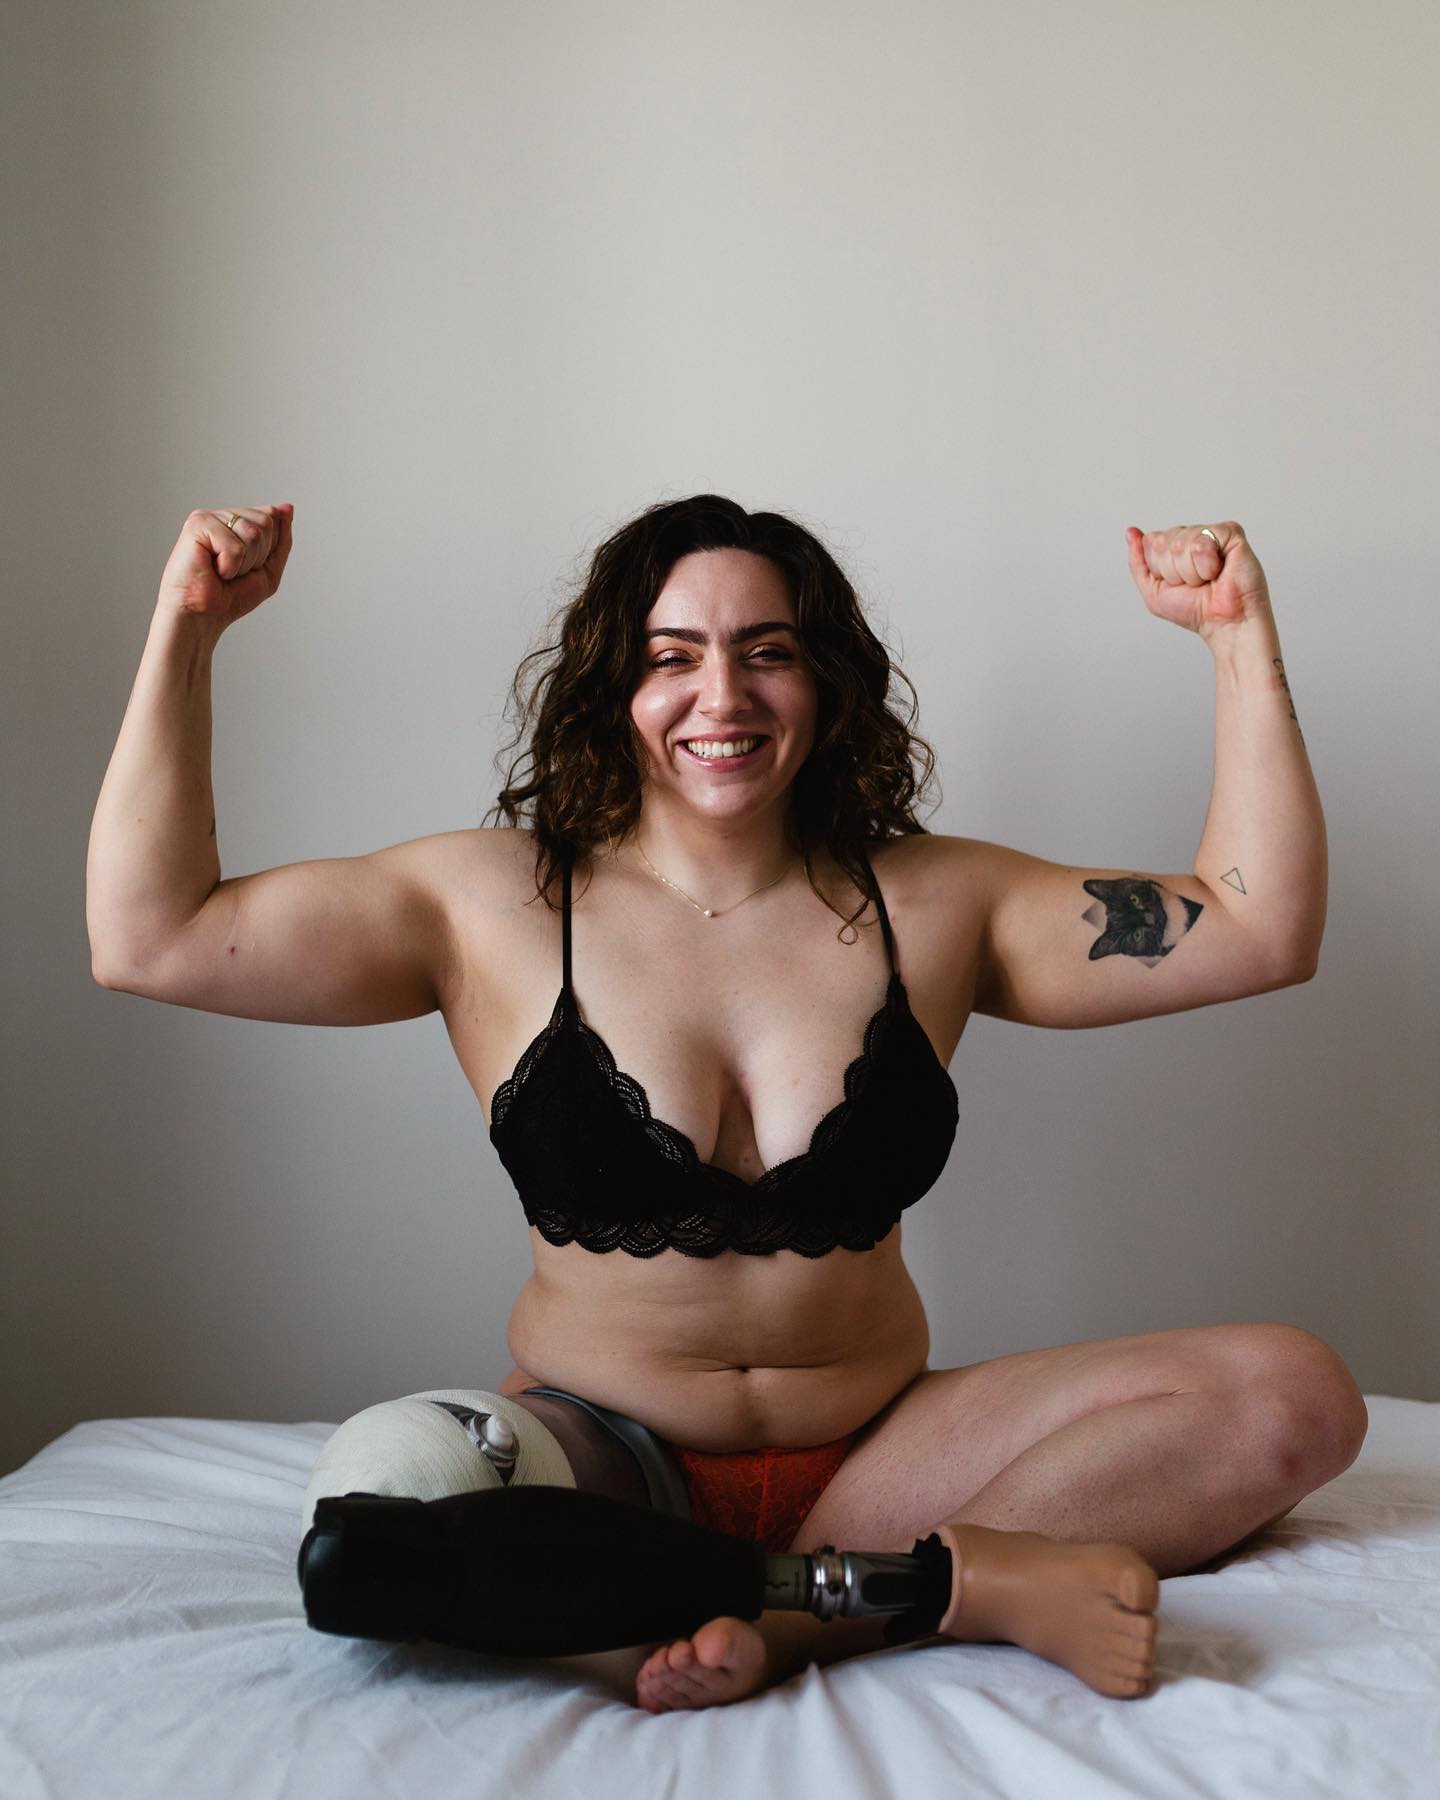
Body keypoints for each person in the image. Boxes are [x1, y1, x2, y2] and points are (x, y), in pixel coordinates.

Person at [87, 493, 1368, 1712]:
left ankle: (800, 1613)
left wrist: (1236, 638)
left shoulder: (940, 903)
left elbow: (1257, 929)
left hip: (883, 1454)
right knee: (382, 1512)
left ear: (826, 683)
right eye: (672, 657)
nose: (723, 695)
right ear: (614, 688)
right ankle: (915, 1592)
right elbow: (153, 938)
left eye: (768, 652)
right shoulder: (487, 905)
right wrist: (187, 630)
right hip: (605, 1461)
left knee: (1295, 1393)